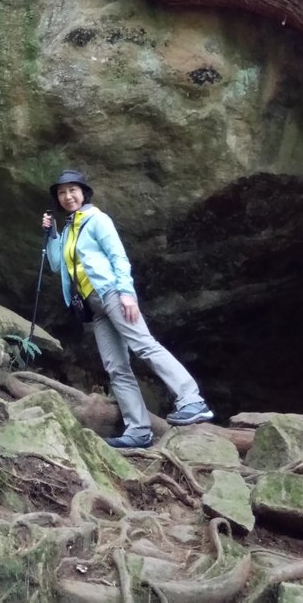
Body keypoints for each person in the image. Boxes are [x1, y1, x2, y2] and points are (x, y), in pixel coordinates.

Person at [42, 169, 213, 449]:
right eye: (62, 192)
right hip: (94, 308)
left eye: (73, 190)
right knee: (116, 367)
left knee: (144, 345)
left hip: (111, 294)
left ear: (84, 193)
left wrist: (127, 293)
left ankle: (192, 400)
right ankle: (138, 430)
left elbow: (117, 256)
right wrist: (51, 234)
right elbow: (55, 264)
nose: (67, 196)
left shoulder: (97, 220)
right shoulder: (71, 228)